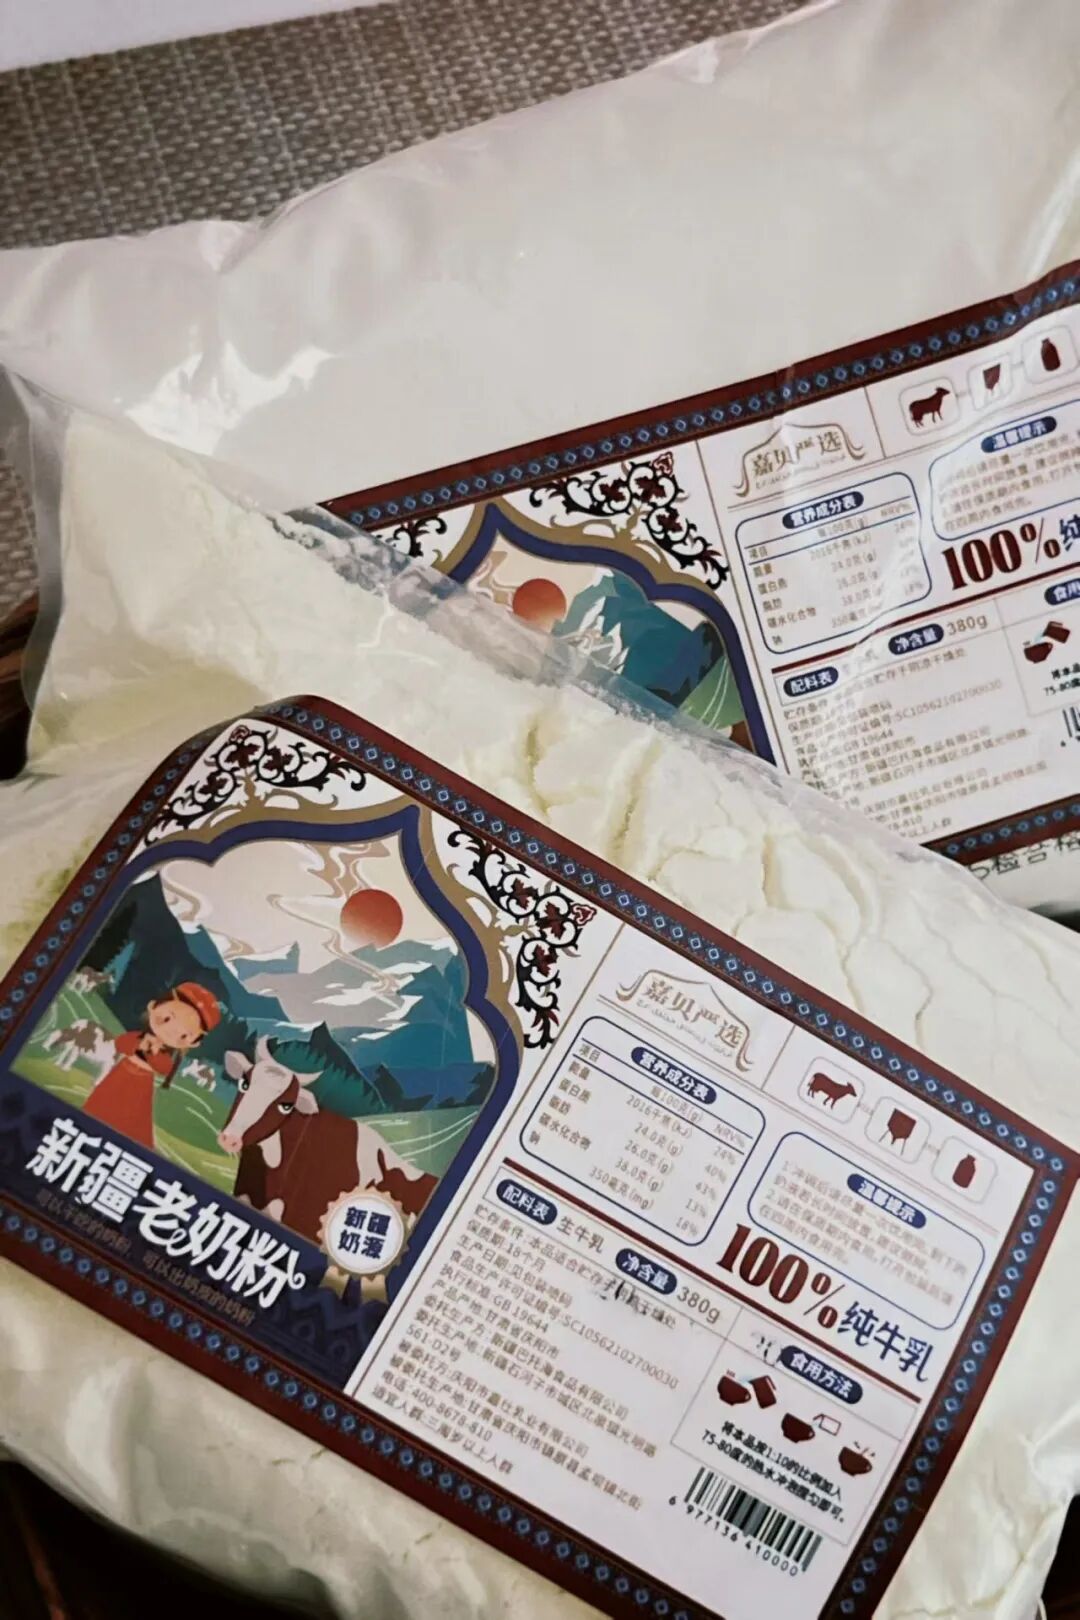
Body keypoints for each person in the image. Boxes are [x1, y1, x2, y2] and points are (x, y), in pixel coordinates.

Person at [82, 981, 221, 1149]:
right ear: (153, 1006)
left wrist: (154, 1053)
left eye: (184, 1035)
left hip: (141, 1084)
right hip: (120, 1074)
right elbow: (121, 1044)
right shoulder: (139, 1037)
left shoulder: (163, 1054)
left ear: (193, 1043)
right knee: (100, 1106)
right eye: (167, 1019)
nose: (171, 1031)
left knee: (132, 1118)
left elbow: (164, 1068)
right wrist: (139, 1044)